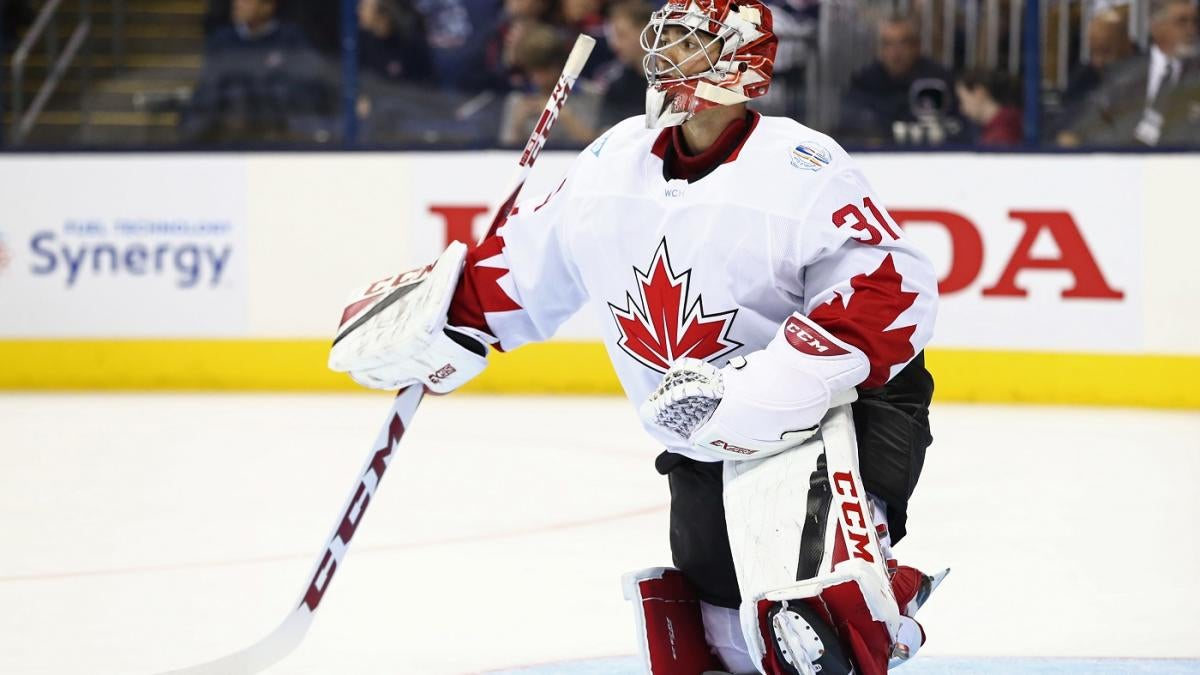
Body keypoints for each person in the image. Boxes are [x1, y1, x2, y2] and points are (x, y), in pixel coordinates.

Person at [328, 1, 944, 673]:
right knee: (724, 633)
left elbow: (894, 292)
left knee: (809, 618)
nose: (667, 51)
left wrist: (759, 392)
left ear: (743, 63)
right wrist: (447, 314)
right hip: (697, 432)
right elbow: (526, 268)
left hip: (835, 418)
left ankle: (877, 597)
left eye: (692, 40)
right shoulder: (611, 163)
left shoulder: (800, 166)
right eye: (667, 35)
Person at [183, 0, 334, 143]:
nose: (237, 4)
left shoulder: (291, 40)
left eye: (246, 1)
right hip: (230, 143)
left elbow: (308, 94)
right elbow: (206, 95)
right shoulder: (222, 42)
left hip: (283, 141)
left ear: (267, 6)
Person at [1061, 0, 1199, 146]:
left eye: (1195, 22)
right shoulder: (1125, 72)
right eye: (1182, 22)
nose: (1192, 30)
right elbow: (1088, 120)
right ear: (1156, 26)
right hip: (1123, 159)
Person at [841, 13, 961, 146]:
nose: (895, 52)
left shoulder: (938, 79)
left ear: (917, 46)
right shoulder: (865, 80)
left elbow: (955, 124)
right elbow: (850, 123)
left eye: (902, 43)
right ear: (880, 49)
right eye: (888, 44)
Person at [593, 0, 655, 131]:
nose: (615, 44)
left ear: (647, 32)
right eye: (613, 36)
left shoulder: (676, 80)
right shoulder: (616, 84)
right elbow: (605, 130)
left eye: (622, 35)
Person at [956, 69, 1023, 146]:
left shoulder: (999, 136)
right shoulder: (1010, 122)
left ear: (978, 92)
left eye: (962, 100)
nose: (961, 109)